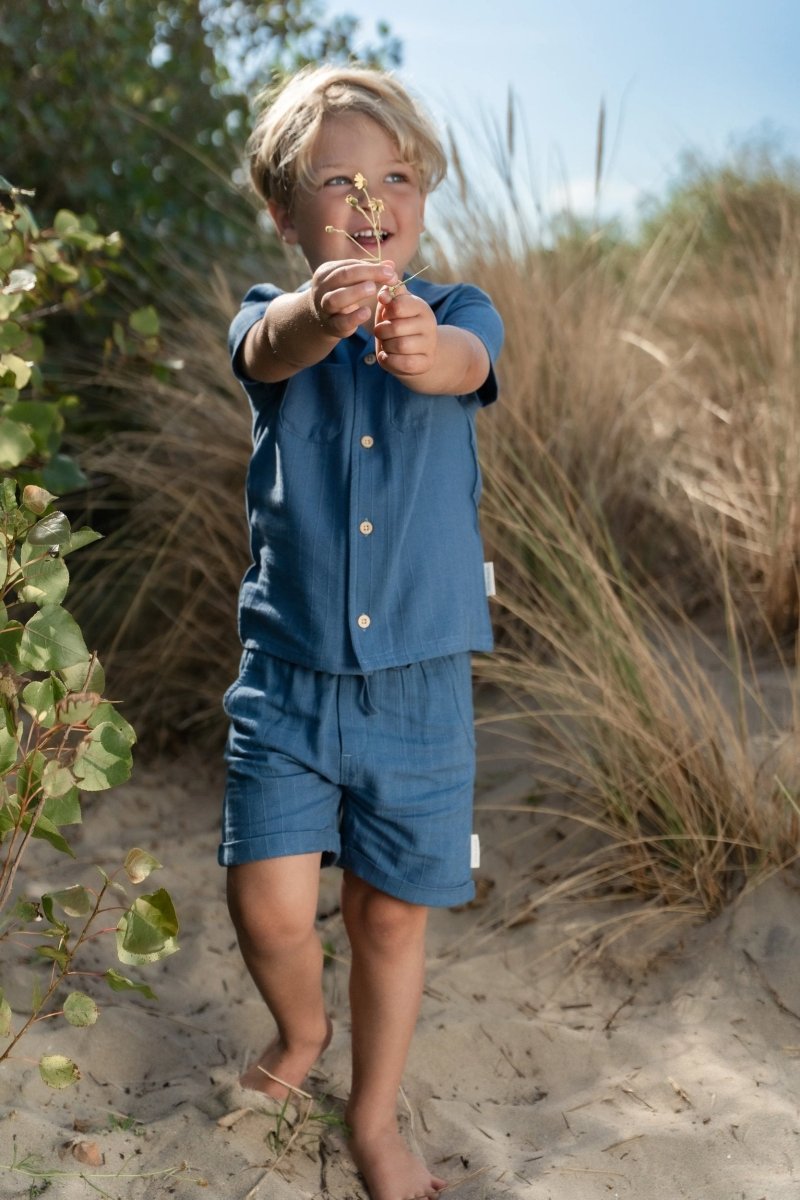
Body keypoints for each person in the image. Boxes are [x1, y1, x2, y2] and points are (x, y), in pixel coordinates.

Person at [219, 63, 503, 1200]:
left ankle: (373, 1118)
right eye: (337, 182)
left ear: (422, 197)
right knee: (268, 901)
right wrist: (319, 313)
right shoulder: (269, 316)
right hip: (286, 676)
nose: (370, 200)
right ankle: (303, 1030)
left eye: (395, 178)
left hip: (418, 683)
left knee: (388, 915)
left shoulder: (460, 312)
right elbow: (268, 349)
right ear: (287, 213)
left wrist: (422, 346)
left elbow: (466, 365)